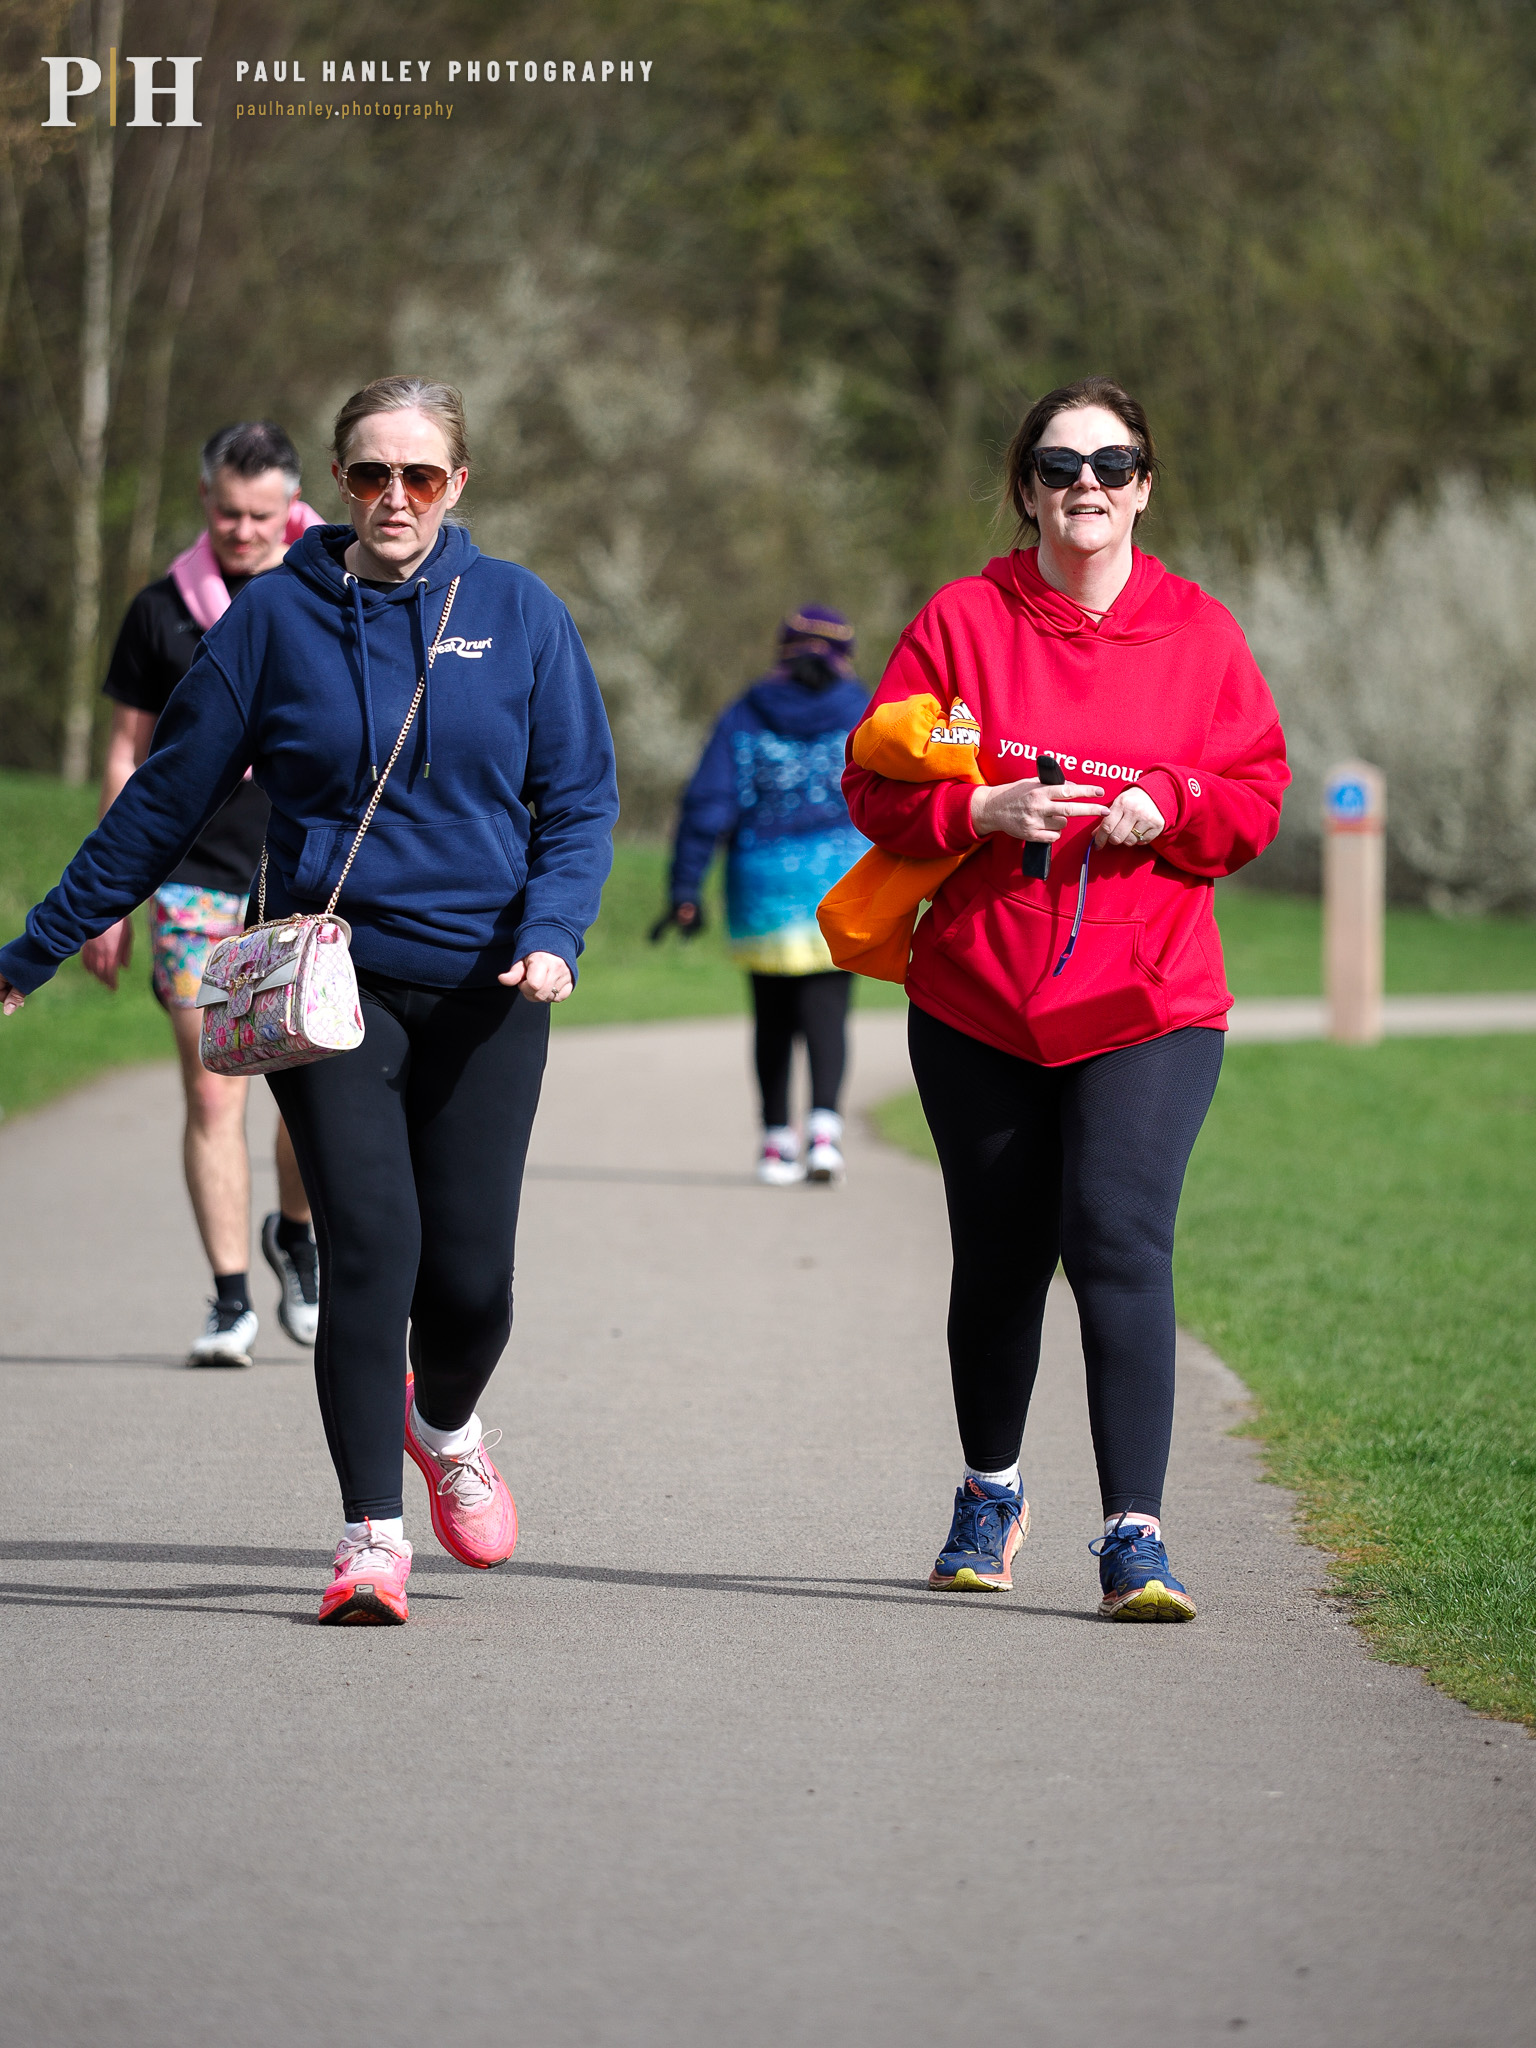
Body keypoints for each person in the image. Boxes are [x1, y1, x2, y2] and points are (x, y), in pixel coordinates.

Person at [0, 376, 619, 1626]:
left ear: (459, 485)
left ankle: (442, 1423)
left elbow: (582, 799)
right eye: (370, 475)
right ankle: (369, 1538)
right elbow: (160, 803)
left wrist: (554, 931)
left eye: (422, 476)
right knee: (372, 1249)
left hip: (493, 983)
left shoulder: (520, 612)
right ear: (336, 486)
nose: (395, 498)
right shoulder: (274, 620)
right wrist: (32, 952)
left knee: (474, 1286)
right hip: (325, 982)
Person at [841, 375, 1289, 1620]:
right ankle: (990, 1490)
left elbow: (1254, 793)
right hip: (982, 993)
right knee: (998, 1256)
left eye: (1111, 461)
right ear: (1025, 486)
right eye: (1057, 464)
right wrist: (974, 806)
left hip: (1149, 1001)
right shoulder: (965, 618)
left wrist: (1182, 802)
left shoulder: (1201, 635)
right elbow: (871, 780)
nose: (1083, 482)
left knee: (1116, 1241)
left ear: (1145, 483)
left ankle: (1135, 1534)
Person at [83, 421, 325, 1367]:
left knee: (305, 1081)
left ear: (293, 507)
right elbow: (123, 750)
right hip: (190, 874)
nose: (243, 529)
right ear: (204, 500)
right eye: (227, 511)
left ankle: (295, 1239)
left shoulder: (334, 589)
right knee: (213, 1085)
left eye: (262, 514)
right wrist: (107, 891)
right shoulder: (160, 612)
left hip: (309, 872)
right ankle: (230, 1300)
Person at [655, 608, 869, 1184]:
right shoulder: (865, 712)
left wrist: (685, 887)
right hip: (843, 884)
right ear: (844, 656)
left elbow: (708, 803)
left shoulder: (746, 714)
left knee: (772, 1018)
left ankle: (776, 1141)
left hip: (761, 885)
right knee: (828, 1012)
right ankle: (825, 1133)